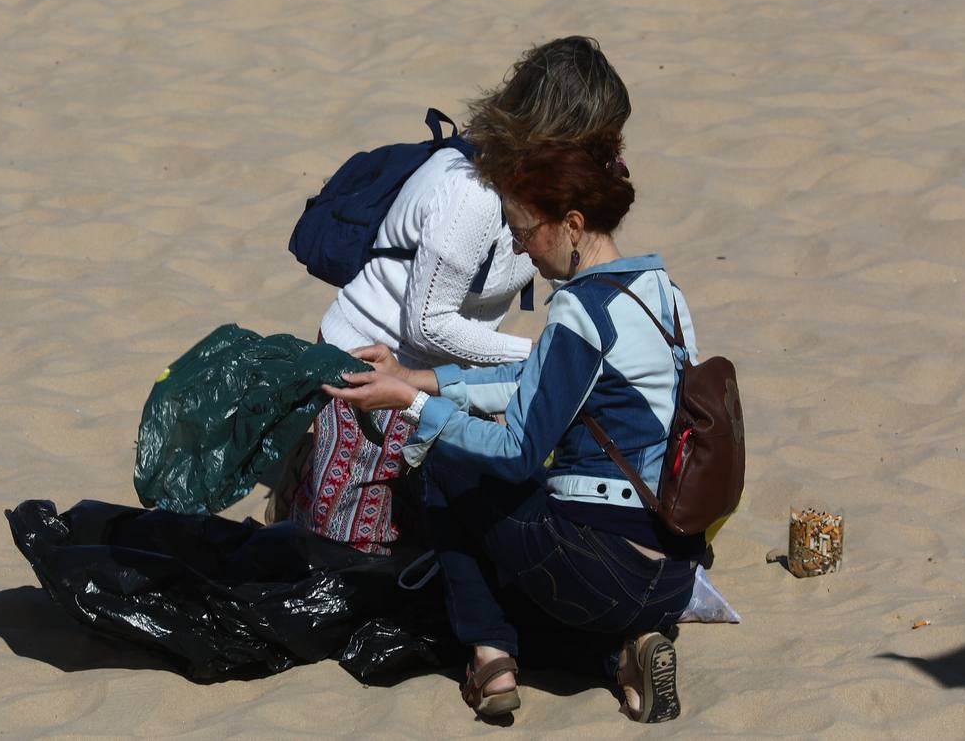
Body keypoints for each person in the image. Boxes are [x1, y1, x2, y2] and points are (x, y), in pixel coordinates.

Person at [324, 137, 701, 723]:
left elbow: (518, 451)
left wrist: (416, 410)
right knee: (523, 543)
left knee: (452, 462)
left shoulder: (582, 311)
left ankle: (491, 659)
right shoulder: (663, 294)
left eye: (526, 232)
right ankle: (627, 651)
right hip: (675, 574)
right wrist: (418, 379)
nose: (523, 249)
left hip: (603, 569)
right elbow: (536, 378)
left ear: (572, 225)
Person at [283, 37, 633, 555]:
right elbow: (429, 323)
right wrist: (538, 358)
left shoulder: (538, 188)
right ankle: (300, 490)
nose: (608, 158)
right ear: (560, 130)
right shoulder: (470, 193)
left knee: (447, 531)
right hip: (367, 364)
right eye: (600, 144)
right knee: (351, 551)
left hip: (440, 375)